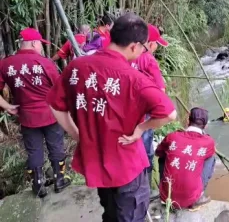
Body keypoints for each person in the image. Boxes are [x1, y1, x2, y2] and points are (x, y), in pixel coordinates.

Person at [47, 13, 177, 222]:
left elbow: (55, 105)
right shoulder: (135, 79)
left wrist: (78, 134)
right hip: (127, 164)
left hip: (96, 161)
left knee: (110, 213)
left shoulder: (77, 67)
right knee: (131, 215)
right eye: (144, 47)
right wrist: (141, 129)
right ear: (135, 46)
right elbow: (170, 113)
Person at [0, 28, 71, 198]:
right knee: (56, 146)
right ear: (33, 43)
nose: (41, 47)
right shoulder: (44, 63)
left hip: (26, 117)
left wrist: (7, 106)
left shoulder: (5, 64)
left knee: (34, 151)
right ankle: (59, 179)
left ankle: (38, 185)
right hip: (50, 114)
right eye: (40, 43)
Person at [129, 24, 168, 200]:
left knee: (132, 147)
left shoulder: (126, 55)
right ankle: (144, 189)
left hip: (127, 110)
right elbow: (160, 91)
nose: (157, 47)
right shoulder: (148, 60)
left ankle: (134, 184)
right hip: (145, 112)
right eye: (156, 44)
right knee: (146, 150)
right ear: (150, 44)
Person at [156, 107, 215, 210]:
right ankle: (198, 196)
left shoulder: (172, 136)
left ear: (188, 120)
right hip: (190, 199)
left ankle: (165, 188)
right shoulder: (208, 142)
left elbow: (158, 152)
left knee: (163, 155)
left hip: (167, 196)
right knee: (211, 157)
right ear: (205, 126)